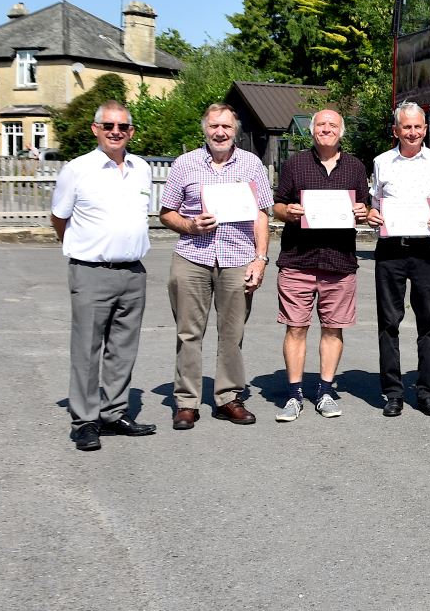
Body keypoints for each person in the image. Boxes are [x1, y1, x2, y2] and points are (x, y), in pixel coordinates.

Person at [156, 103, 272, 430]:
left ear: (236, 130)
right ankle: (187, 402)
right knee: (189, 332)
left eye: (226, 127)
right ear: (204, 129)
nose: (219, 132)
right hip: (193, 257)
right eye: (213, 126)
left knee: (232, 333)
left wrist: (260, 259)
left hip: (237, 259)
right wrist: (190, 225)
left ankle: (227, 398)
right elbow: (166, 213)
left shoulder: (251, 165)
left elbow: (262, 214)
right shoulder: (185, 164)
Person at [51, 101, 156, 451]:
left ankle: (113, 412)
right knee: (87, 349)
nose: (116, 132)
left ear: (131, 132)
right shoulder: (77, 169)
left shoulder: (141, 168)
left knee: (123, 349)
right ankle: (84, 420)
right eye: (108, 125)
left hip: (132, 272)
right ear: (95, 129)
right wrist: (80, 246)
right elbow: (59, 217)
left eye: (123, 126)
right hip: (91, 271)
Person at [270, 108, 371, 422]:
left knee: (332, 328)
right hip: (298, 260)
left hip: (339, 262)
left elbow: (365, 207)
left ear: (341, 132)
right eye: (321, 125)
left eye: (333, 125)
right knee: (296, 328)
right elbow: (277, 206)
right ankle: (294, 394)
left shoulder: (355, 167)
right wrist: (289, 213)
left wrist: (362, 212)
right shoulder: (295, 164)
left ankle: (325, 391)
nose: (326, 129)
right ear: (312, 130)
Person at [365, 102, 430, 418]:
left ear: (425, 129)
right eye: (406, 127)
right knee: (389, 323)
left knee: (429, 323)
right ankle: (393, 393)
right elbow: (376, 204)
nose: (412, 132)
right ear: (396, 130)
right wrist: (374, 216)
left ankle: (427, 392)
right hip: (391, 251)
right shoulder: (382, 162)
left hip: (426, 250)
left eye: (418, 127)